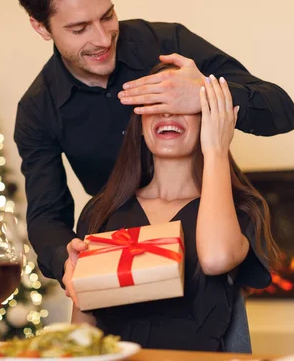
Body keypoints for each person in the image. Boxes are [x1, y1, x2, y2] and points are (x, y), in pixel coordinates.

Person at [13, 0, 294, 289]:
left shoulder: (168, 44)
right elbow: (47, 215)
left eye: (107, 16)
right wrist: (68, 261)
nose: (103, 39)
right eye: (79, 29)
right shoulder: (38, 109)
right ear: (41, 27)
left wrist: (204, 92)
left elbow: (281, 110)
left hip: (209, 234)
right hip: (117, 253)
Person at [66, 63, 278, 351]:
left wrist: (216, 148)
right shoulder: (101, 211)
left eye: (181, 101)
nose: (168, 112)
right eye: (156, 102)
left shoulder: (240, 209)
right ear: (139, 123)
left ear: (208, 119)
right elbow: (82, 331)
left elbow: (216, 258)